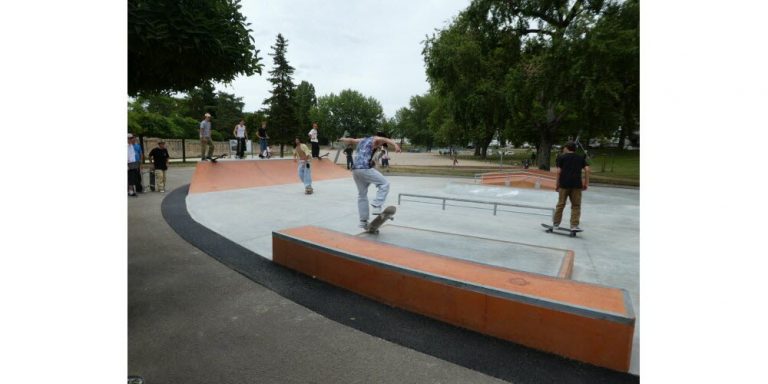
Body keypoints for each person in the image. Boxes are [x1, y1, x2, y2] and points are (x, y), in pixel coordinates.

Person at [338, 131, 401, 229]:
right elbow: (386, 139)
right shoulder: (376, 139)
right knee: (385, 184)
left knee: (362, 195)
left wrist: (342, 139)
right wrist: (396, 145)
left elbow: (351, 140)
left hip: (355, 170)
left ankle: (363, 221)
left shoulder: (363, 139)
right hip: (364, 169)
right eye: (380, 143)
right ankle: (377, 205)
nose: (379, 145)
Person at [552, 142, 590, 231]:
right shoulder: (580, 158)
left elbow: (558, 172)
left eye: (564, 148)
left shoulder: (561, 157)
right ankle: (574, 225)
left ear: (566, 148)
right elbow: (587, 170)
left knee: (561, 204)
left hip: (564, 184)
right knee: (576, 205)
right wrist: (586, 183)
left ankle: (556, 224)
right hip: (576, 185)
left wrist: (557, 184)